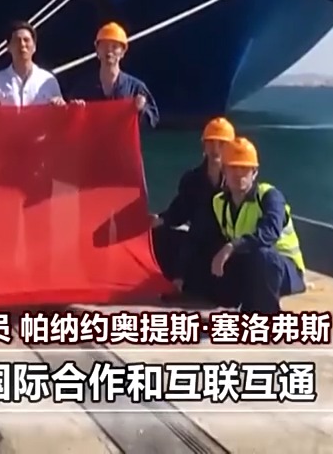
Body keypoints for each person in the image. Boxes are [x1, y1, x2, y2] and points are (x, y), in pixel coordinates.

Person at [184, 137, 306, 314]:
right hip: (250, 264)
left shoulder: (269, 197)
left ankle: (264, 316)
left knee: (263, 256)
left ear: (254, 173)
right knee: (206, 263)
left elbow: (269, 232)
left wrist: (232, 246)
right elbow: (200, 233)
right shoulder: (219, 202)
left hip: (284, 270)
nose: (239, 174)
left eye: (245, 169)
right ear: (224, 171)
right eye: (233, 168)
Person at [153, 117, 235, 285]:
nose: (215, 149)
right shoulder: (192, 179)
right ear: (203, 145)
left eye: (222, 143)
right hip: (197, 242)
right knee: (159, 235)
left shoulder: (237, 182)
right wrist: (161, 219)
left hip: (225, 246)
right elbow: (180, 211)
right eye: (211, 142)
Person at [68, 22, 159, 128]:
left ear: (123, 52)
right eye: (104, 46)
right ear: (97, 50)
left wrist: (141, 108)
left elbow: (153, 120)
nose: (109, 51)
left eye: (114, 47)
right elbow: (67, 120)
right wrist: (74, 111)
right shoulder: (83, 88)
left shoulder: (136, 88)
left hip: (124, 139)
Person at [0, 21, 66, 108]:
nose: (22, 45)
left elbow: (61, 113)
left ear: (34, 47)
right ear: (8, 47)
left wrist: (60, 105)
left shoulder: (49, 81)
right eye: (17, 40)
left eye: (26, 40)